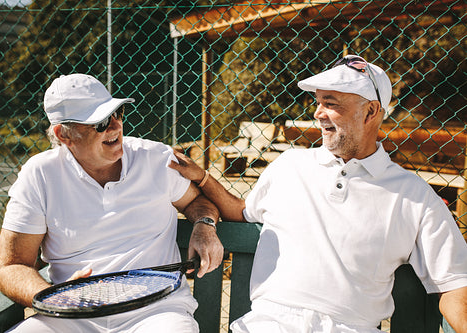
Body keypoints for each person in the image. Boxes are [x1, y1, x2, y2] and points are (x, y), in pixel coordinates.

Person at [170, 55, 467, 333]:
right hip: (268, 325)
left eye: (330, 102)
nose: (318, 112)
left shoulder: (415, 196)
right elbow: (241, 211)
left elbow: (455, 284)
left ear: (371, 111)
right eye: (318, 101)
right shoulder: (290, 164)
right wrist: (203, 178)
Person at [0, 73, 224, 332]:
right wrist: (57, 297)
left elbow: (198, 202)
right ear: (63, 134)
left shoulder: (155, 159)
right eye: (100, 122)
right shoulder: (39, 174)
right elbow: (12, 265)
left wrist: (204, 226)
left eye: (117, 113)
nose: (115, 127)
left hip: (157, 312)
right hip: (71, 316)